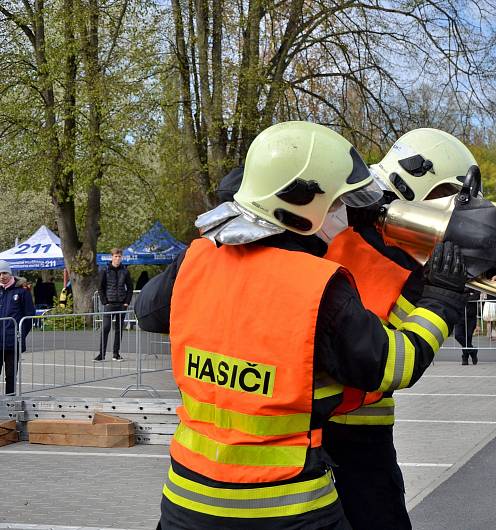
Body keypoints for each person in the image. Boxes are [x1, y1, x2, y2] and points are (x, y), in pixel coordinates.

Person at [134, 121, 466, 530]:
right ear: (303, 205)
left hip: (187, 500)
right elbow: (390, 366)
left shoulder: (198, 259)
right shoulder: (317, 286)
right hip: (287, 507)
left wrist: (215, 237)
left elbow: (148, 312)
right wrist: (442, 298)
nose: (344, 216)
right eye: (338, 204)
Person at [322, 127, 478, 529]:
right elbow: (389, 359)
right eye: (449, 196)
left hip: (347, 429)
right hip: (346, 435)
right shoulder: (384, 253)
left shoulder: (338, 225)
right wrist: (441, 300)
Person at [0, 260, 34, 395]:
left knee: (11, 375)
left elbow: (29, 316)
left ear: (10, 273)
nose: (2, 276)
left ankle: (10, 403)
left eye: (4, 273)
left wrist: (20, 334)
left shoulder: (22, 291)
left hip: (12, 342)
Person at [95, 249, 132, 362]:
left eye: (119, 256)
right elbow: (100, 288)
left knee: (119, 330)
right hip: (109, 304)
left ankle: (116, 354)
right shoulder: (104, 270)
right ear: (112, 257)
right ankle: (101, 354)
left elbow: (130, 288)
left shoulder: (125, 271)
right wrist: (104, 302)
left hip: (121, 304)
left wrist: (126, 302)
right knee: (105, 328)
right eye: (116, 256)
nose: (118, 258)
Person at [454, 287, 481, 365]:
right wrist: (467, 296)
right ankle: (473, 352)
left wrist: (465, 297)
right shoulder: (459, 284)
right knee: (458, 335)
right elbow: (457, 296)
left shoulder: (474, 285)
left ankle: (465, 358)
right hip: (459, 316)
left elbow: (476, 296)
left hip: (471, 317)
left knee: (468, 338)